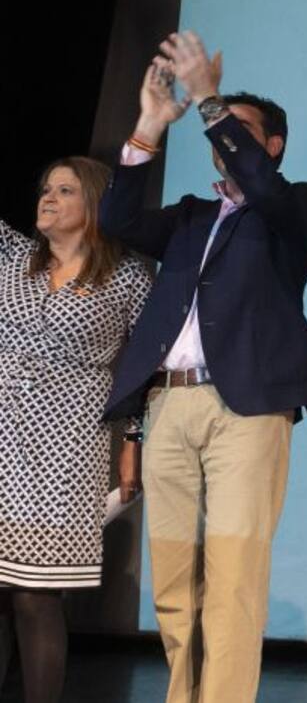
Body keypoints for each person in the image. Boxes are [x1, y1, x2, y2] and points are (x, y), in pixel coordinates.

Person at [98, 41, 307, 703]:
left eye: (239, 128)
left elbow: (263, 187)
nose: (222, 137)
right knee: (174, 582)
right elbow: (115, 220)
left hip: (248, 409)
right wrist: (150, 123)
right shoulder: (191, 217)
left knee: (233, 575)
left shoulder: (301, 206)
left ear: (274, 145)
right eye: (218, 127)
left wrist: (208, 100)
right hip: (169, 406)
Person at [0, 156, 150, 703]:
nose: (49, 196)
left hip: (65, 450)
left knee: (35, 595)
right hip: (2, 434)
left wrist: (133, 440)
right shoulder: (12, 255)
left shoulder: (128, 276)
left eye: (65, 190)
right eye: (46, 188)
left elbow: (144, 368)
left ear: (97, 203)